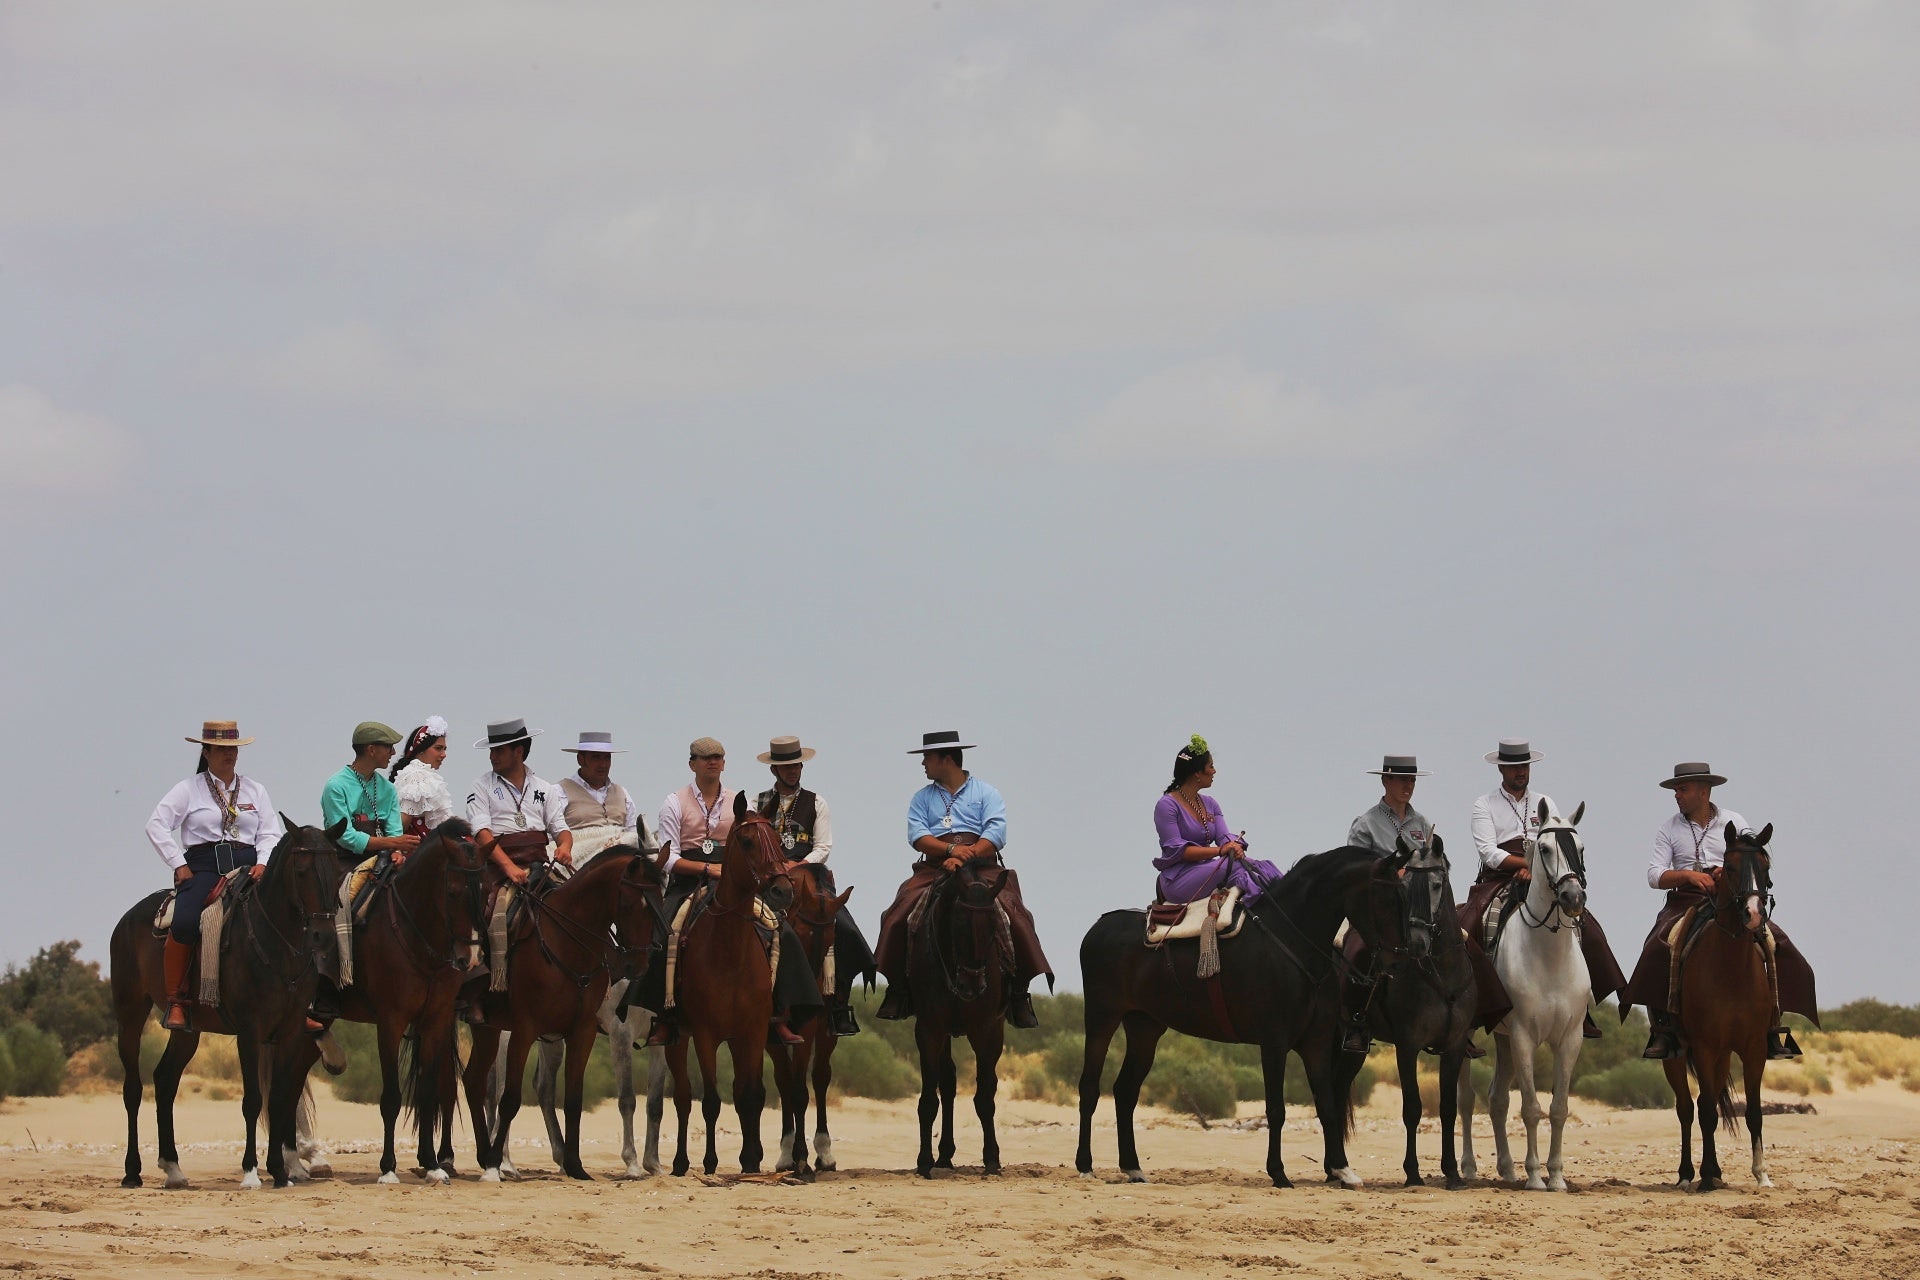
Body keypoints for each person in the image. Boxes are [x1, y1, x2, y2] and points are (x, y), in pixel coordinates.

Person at [1621, 762, 1817, 1061]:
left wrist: (1728, 871)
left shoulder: (1735, 820)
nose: (1677, 795)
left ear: (1704, 790)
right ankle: (1663, 1027)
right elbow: (1654, 875)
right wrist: (1688, 875)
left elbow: (1756, 853)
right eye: (1676, 790)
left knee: (1776, 943)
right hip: (1685, 900)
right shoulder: (1669, 827)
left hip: (1733, 898)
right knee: (1660, 945)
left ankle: (1773, 1025)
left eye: (1682, 789)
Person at [642, 738, 819, 1048]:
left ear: (724, 763)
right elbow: (668, 857)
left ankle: (780, 1014)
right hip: (689, 882)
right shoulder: (673, 802)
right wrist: (707, 871)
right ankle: (664, 1018)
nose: (713, 762)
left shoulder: (740, 801)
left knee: (781, 931)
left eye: (718, 757)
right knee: (663, 934)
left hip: (733, 882)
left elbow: (753, 844)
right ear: (692, 763)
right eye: (705, 757)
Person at [874, 731, 1052, 1029]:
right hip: (934, 868)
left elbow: (995, 833)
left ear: (946, 759)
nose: (923, 764)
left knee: (1016, 918)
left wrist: (965, 856)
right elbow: (917, 836)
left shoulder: (986, 793)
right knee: (897, 917)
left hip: (983, 868)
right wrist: (950, 851)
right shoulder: (922, 797)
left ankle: (1019, 992)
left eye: (927, 758)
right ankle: (898, 988)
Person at [1465, 739, 1625, 1040]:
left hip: (1544, 875)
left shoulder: (1546, 802)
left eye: (1524, 766)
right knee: (1471, 922)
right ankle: (1470, 1011)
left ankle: (1582, 1008)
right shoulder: (1484, 804)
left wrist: (1537, 868)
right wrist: (1520, 864)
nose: (1520, 772)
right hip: (1499, 877)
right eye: (1514, 767)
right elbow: (1488, 851)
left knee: (1584, 923)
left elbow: (1557, 843)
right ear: (1501, 768)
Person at [145, 721, 285, 1031]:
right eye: (221, 749)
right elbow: (156, 824)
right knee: (183, 921)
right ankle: (177, 1001)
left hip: (249, 866)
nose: (229, 755)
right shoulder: (188, 789)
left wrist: (263, 863)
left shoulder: (255, 790)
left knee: (289, 912)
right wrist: (178, 863)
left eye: (233, 749)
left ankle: (298, 998)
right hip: (205, 867)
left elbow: (270, 833)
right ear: (206, 752)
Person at [755, 734, 874, 1038]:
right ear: (774, 770)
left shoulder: (816, 801)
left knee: (844, 929)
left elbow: (824, 846)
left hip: (809, 874)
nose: (793, 770)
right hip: (771, 879)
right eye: (786, 766)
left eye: (796, 765)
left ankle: (839, 1006)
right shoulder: (760, 802)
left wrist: (798, 864)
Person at [315, 721, 421, 1022]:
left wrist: (398, 852)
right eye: (388, 747)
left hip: (384, 859)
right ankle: (325, 987)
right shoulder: (336, 786)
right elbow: (344, 835)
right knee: (336, 908)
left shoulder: (386, 787)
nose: (393, 752)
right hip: (344, 862)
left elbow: (394, 828)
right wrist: (392, 843)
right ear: (371, 749)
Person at [464, 718, 572, 1001]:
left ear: (519, 752)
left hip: (539, 864)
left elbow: (561, 829)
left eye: (499, 750)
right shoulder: (481, 786)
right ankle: (479, 989)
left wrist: (564, 847)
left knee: (575, 907)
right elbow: (482, 833)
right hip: (498, 867)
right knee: (482, 914)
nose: (492, 756)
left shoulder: (545, 788)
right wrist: (508, 866)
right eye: (492, 750)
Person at [1152, 735, 1284, 904]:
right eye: (1211, 766)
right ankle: (1258, 909)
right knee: (1238, 867)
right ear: (1197, 773)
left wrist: (1234, 845)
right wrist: (1220, 851)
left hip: (1208, 869)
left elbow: (1223, 837)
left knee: (1262, 865)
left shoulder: (1210, 803)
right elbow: (1178, 851)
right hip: (1179, 878)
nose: (1214, 771)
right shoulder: (1167, 805)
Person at [557, 731, 657, 864]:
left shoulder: (623, 794)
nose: (603, 764)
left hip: (618, 867)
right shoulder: (560, 791)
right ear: (580, 759)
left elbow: (632, 835)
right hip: (575, 869)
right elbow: (552, 834)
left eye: (607, 758)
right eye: (596, 757)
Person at [1346, 754, 1434, 856]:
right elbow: (1356, 866)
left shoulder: (1422, 823)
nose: (1409, 786)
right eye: (1403, 779)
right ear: (1385, 781)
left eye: (1412, 780)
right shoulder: (1365, 825)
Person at [390, 716, 455, 835]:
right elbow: (400, 826)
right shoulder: (416, 775)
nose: (444, 754)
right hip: (417, 848)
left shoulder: (424, 775)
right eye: (438, 748)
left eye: (444, 749)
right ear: (420, 750)